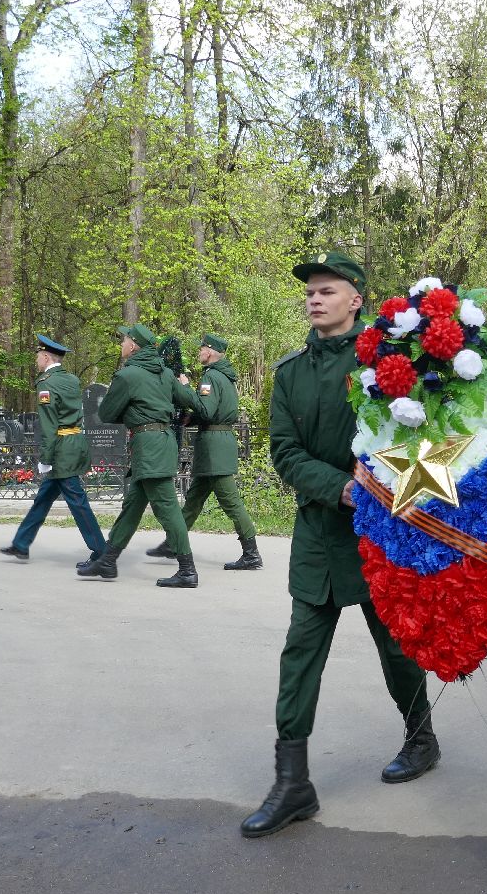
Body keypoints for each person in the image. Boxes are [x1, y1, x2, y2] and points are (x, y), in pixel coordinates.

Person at [240, 250, 438, 841]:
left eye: (328, 289)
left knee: (395, 645)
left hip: (380, 531)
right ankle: (292, 780)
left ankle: (420, 736)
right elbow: (285, 450)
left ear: (356, 300)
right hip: (322, 530)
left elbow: (423, 431)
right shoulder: (291, 371)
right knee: (300, 650)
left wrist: (382, 487)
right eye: (310, 291)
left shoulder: (388, 362)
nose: (314, 298)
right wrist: (341, 489)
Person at [76, 324, 198, 587]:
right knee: (133, 506)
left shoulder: (127, 376)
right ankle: (108, 561)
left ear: (133, 346)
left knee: (167, 507)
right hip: (162, 443)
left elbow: (107, 413)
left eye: (124, 340)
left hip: (148, 445)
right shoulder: (165, 374)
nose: (121, 344)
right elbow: (189, 398)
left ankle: (188, 570)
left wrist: (132, 414)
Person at [142, 334, 261, 571]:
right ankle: (173, 542)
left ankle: (252, 553)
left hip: (214, 447)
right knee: (194, 498)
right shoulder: (224, 376)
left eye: (201, 348)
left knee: (231, 502)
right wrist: (192, 417)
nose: (198, 352)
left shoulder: (211, 377)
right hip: (215, 443)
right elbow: (213, 412)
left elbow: (206, 410)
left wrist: (185, 388)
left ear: (210, 351)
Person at [0, 335, 107, 565]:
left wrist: (45, 458)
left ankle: (102, 552)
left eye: (38, 356)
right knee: (44, 498)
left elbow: (49, 425)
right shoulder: (71, 379)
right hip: (75, 442)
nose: (36, 361)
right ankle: (21, 544)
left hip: (61, 450)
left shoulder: (46, 383)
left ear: (46, 357)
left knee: (77, 501)